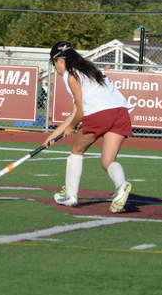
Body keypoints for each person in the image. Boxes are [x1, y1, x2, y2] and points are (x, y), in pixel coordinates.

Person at [44, 41, 132, 213]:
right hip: (121, 114)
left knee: (76, 151)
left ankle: (70, 196)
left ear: (59, 60)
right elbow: (75, 111)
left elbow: (80, 111)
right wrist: (52, 136)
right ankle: (122, 186)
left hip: (100, 115)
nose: (55, 69)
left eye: (53, 64)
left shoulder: (71, 75)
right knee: (108, 161)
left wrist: (73, 126)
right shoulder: (91, 71)